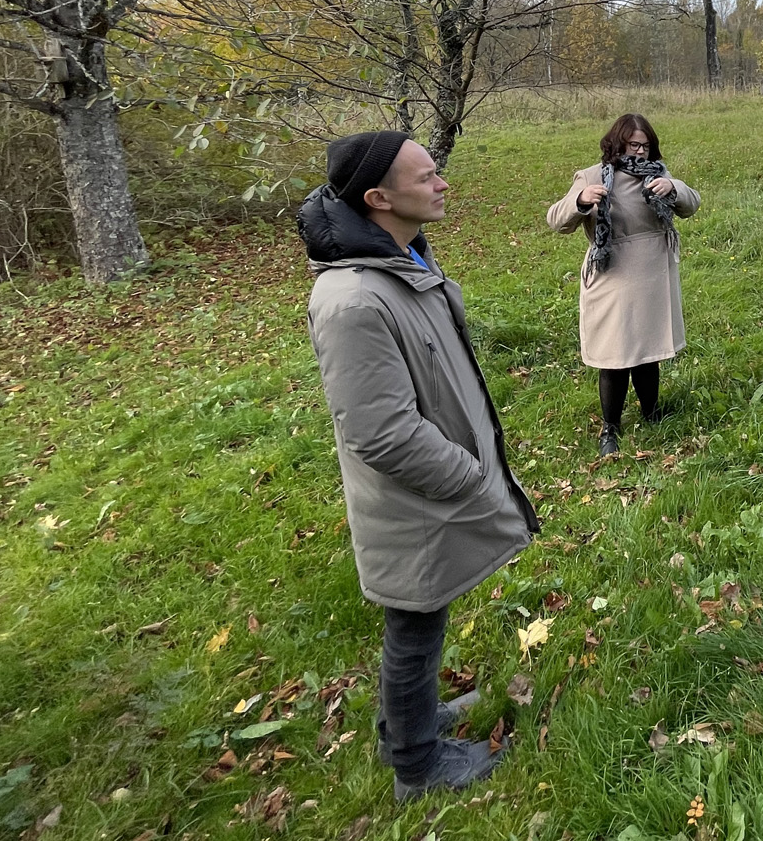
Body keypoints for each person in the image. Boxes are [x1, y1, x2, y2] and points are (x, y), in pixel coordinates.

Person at [299, 131, 538, 802]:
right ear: (378, 198)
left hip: (430, 491)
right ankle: (417, 764)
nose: (442, 184)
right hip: (416, 500)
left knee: (420, 616)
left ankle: (408, 722)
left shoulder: (400, 260)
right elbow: (381, 432)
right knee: (414, 619)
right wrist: (467, 476)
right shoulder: (352, 300)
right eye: (427, 176)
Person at [547, 113, 700, 456]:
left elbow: (692, 205)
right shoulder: (590, 176)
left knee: (649, 351)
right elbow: (556, 220)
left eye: (646, 145)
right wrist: (582, 200)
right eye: (634, 145)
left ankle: (651, 413)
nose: (641, 152)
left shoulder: (658, 174)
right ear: (618, 142)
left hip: (653, 274)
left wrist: (674, 189)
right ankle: (610, 429)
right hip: (612, 274)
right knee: (614, 354)